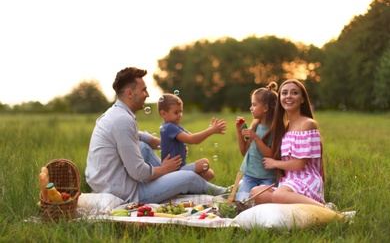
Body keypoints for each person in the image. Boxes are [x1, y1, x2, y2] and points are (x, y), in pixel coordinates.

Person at [85, 67, 227, 204]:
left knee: (143, 146)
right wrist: (165, 169)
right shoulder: (123, 120)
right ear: (129, 93)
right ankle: (224, 192)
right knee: (188, 177)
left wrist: (167, 144)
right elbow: (138, 172)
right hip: (126, 193)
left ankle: (173, 177)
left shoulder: (116, 113)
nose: (147, 94)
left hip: (111, 183)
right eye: (144, 90)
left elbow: (140, 137)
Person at [250, 79, 327, 208]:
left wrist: (274, 163)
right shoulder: (285, 128)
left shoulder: (307, 124)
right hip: (289, 182)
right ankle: (294, 207)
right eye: (284, 93)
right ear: (280, 99)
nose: (288, 96)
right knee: (256, 193)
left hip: (306, 180)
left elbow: (298, 164)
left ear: (302, 99)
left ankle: (329, 211)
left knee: (278, 195)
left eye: (294, 93)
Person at [158, 93, 227, 181]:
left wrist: (209, 129)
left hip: (179, 170)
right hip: (174, 172)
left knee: (210, 174)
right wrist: (211, 131)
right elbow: (192, 140)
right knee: (204, 163)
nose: (180, 115)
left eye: (181, 111)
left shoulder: (175, 127)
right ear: (163, 114)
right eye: (176, 112)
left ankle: (189, 185)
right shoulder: (169, 127)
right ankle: (188, 185)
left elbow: (193, 138)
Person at [235, 82, 278, 201]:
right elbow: (244, 152)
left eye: (254, 105)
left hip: (268, 177)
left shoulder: (274, 130)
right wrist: (239, 132)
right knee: (241, 202)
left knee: (261, 204)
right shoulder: (255, 126)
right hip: (249, 176)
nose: (250, 108)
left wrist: (255, 137)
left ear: (265, 108)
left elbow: (271, 155)